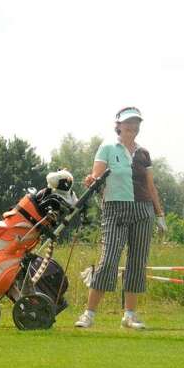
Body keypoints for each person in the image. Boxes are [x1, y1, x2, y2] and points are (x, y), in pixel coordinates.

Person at [75, 106, 166, 330]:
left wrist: (159, 214)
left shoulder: (143, 153)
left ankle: (129, 315)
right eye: (128, 123)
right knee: (108, 260)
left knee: (137, 262)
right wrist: (90, 180)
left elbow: (150, 186)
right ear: (119, 125)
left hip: (143, 210)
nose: (132, 127)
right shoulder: (107, 148)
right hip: (114, 209)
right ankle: (89, 314)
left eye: (136, 123)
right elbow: (96, 176)